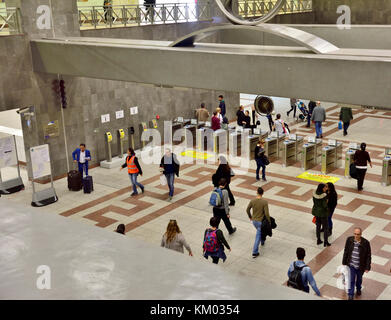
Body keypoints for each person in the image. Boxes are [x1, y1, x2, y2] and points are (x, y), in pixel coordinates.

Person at [342, 227, 371, 300]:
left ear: (361, 234)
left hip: (360, 266)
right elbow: (346, 251)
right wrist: (344, 262)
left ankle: (358, 288)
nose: (356, 236)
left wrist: (367, 267)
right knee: (351, 280)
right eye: (355, 234)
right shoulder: (349, 240)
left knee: (359, 280)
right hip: (351, 264)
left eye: (358, 234)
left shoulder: (365, 243)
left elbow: (368, 255)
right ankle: (351, 294)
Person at [246, 187, 271, 258]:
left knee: (260, 232)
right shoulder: (264, 202)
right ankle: (255, 252)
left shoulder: (252, 200)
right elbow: (266, 213)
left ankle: (263, 241)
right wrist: (269, 221)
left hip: (254, 221)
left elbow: (247, 209)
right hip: (261, 222)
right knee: (258, 236)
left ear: (256, 192)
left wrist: (250, 217)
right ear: (262, 193)